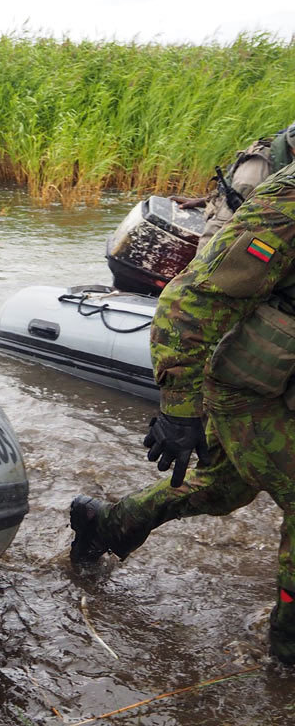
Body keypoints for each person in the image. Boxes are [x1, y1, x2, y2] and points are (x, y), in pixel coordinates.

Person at [69, 162, 295, 666]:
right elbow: (190, 302)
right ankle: (287, 659)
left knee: (223, 489)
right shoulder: (290, 201)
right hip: (255, 387)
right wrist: (180, 410)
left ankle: (104, 524)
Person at [172, 121, 295, 250]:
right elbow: (220, 227)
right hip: (240, 229)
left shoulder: (288, 162)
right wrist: (201, 267)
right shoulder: (254, 174)